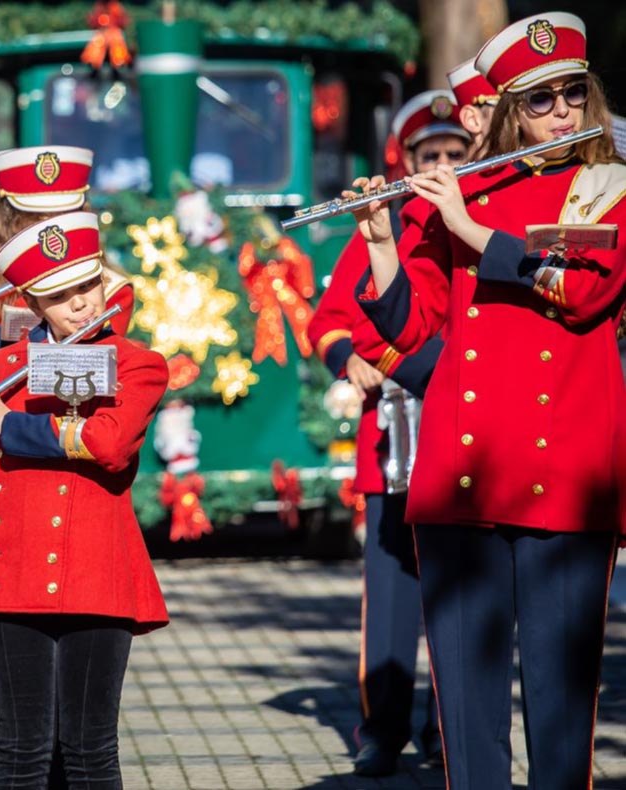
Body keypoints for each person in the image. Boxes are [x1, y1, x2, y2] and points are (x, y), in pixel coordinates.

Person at [351, 12, 626, 788]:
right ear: (507, 111)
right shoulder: (466, 189)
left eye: (574, 93)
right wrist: (380, 241)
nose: (563, 113)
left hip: (566, 475)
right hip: (461, 475)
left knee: (561, 702)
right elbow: (410, 325)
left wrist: (469, 229)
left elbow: (580, 290)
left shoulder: (606, 187)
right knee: (467, 719)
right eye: (540, 101)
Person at [0, 211, 168, 787]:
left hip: (95, 572)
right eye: (60, 296)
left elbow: (107, 445)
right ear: (32, 304)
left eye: (88, 285)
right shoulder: (4, 364)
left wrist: (8, 421)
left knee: (89, 750)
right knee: (19, 749)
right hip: (16, 572)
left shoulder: (137, 363)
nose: (81, 304)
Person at [309, 88, 475, 776]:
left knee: (461, 593)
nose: (439, 163)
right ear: (405, 157)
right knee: (392, 599)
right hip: (394, 446)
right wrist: (352, 357)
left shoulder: (478, 220)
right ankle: (383, 729)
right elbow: (329, 320)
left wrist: (394, 360)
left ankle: (449, 726)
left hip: (465, 437)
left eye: (452, 154)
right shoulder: (389, 223)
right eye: (427, 154)